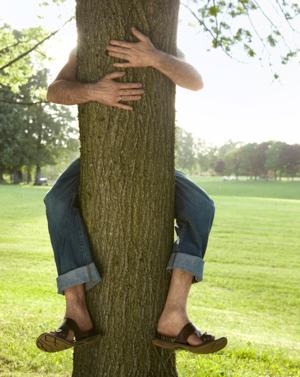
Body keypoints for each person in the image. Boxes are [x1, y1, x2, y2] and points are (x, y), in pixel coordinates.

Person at [36, 27, 227, 354]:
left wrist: (153, 57)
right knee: (56, 200)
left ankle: (174, 312)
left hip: (152, 160)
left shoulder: (163, 45)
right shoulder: (86, 46)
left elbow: (195, 81)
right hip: (96, 156)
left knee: (201, 207)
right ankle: (76, 312)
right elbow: (55, 91)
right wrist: (94, 91)